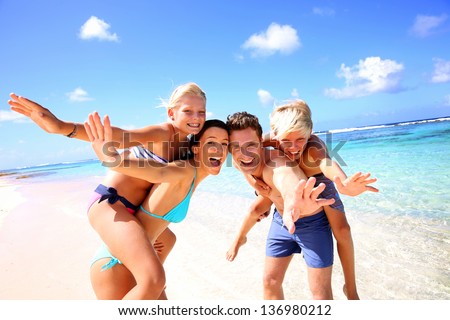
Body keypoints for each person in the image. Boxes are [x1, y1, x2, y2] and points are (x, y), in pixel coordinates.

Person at [8, 82, 206, 299]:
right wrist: (62, 127)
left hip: (136, 211)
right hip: (111, 205)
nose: (195, 117)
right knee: (154, 278)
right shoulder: (163, 132)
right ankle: (147, 284)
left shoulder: (188, 146)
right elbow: (120, 136)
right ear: (171, 113)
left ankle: (145, 288)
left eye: (201, 112)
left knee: (168, 239)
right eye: (188, 111)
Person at [226, 101, 378, 300]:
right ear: (275, 133)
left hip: (319, 186)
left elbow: (328, 165)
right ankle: (240, 237)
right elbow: (242, 156)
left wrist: (343, 184)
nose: (293, 147)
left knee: (342, 230)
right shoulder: (265, 141)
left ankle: (351, 288)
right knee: (257, 207)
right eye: (286, 141)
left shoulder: (314, 147)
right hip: (288, 193)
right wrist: (253, 182)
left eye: (300, 139)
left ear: (310, 132)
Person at [86, 116, 230, 299]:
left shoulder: (193, 177)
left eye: (224, 144)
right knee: (156, 280)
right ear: (196, 148)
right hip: (116, 266)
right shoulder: (184, 171)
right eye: (211, 142)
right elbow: (159, 172)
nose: (218, 149)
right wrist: (111, 159)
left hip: (133, 267)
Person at [226, 111, 336, 299]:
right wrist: (253, 183)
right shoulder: (238, 161)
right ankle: (240, 238)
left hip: (312, 222)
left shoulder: (276, 163)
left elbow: (286, 178)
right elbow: (243, 165)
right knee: (270, 282)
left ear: (261, 142)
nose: (244, 153)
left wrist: (294, 201)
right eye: (236, 147)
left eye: (251, 145)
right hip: (281, 222)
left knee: (320, 292)